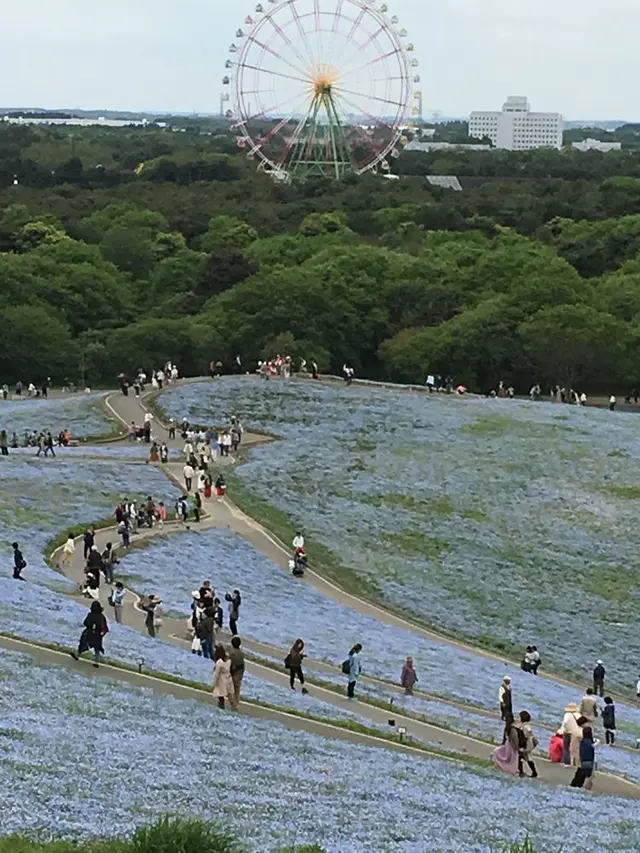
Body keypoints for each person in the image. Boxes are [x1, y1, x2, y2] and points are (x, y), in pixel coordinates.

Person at [71, 601, 109, 667]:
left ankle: (77, 655)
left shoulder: (90, 615)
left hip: (89, 633)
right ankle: (96, 662)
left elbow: (85, 622)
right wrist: (102, 634)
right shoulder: (102, 617)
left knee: (83, 643)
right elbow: (105, 627)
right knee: (97, 648)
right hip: (98, 635)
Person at [570, 726, 596, 790]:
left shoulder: (583, 741)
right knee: (581, 780)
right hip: (588, 763)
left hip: (582, 762)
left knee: (577, 778)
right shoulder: (590, 743)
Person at [517, 710, 538, 778]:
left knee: (521, 757)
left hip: (526, 744)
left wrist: (522, 745)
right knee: (528, 758)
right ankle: (533, 772)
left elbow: (524, 737)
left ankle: (521, 771)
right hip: (529, 744)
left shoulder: (524, 727)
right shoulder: (528, 726)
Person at [212, 644, 233, 709]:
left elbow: (216, 674)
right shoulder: (228, 660)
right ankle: (233, 706)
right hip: (228, 679)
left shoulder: (219, 662)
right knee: (227, 694)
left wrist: (214, 683)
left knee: (220, 695)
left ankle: (222, 707)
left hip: (221, 680)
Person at [561, 702, 582, 766]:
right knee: (576, 749)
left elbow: (565, 723)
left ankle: (567, 762)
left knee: (566, 747)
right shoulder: (578, 715)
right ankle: (576, 763)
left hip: (568, 732)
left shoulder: (567, 715)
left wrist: (562, 729)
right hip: (576, 733)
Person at [228, 635, 245, 708]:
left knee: (230, 687)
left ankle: (233, 702)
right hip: (239, 673)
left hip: (233, 672)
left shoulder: (232, 653)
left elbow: (230, 664)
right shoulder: (241, 653)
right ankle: (236, 703)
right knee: (237, 689)